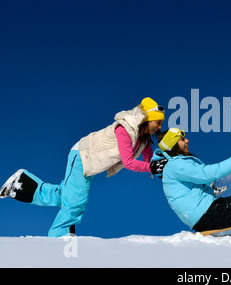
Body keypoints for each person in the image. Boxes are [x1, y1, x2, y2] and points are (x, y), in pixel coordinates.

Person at [0, 97, 165, 237]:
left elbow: (150, 159)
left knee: (66, 196)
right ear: (147, 119)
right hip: (81, 155)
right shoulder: (125, 130)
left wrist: (164, 171)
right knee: (75, 202)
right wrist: (153, 168)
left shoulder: (142, 138)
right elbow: (129, 162)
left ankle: (20, 184)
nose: (159, 127)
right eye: (158, 122)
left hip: (88, 162)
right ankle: (59, 239)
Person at [150, 128, 231, 239]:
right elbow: (205, 174)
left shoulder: (172, 166)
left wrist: (210, 191)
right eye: (182, 139)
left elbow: (190, 187)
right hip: (206, 214)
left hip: (200, 218)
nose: (187, 140)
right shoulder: (174, 165)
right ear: (173, 143)